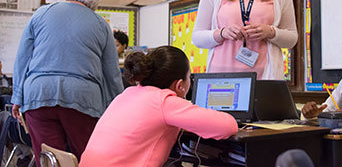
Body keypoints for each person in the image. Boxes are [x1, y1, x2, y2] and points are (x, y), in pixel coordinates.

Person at [11, 0, 124, 167]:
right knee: (87, 159)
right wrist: (118, 109)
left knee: (50, 161)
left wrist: (17, 98)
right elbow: (111, 74)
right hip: (83, 98)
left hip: (38, 94)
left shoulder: (42, 13)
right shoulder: (101, 25)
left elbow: (22, 59)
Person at [80, 45, 238, 167]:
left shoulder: (127, 94)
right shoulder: (165, 102)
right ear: (180, 85)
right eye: (189, 77)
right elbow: (229, 126)